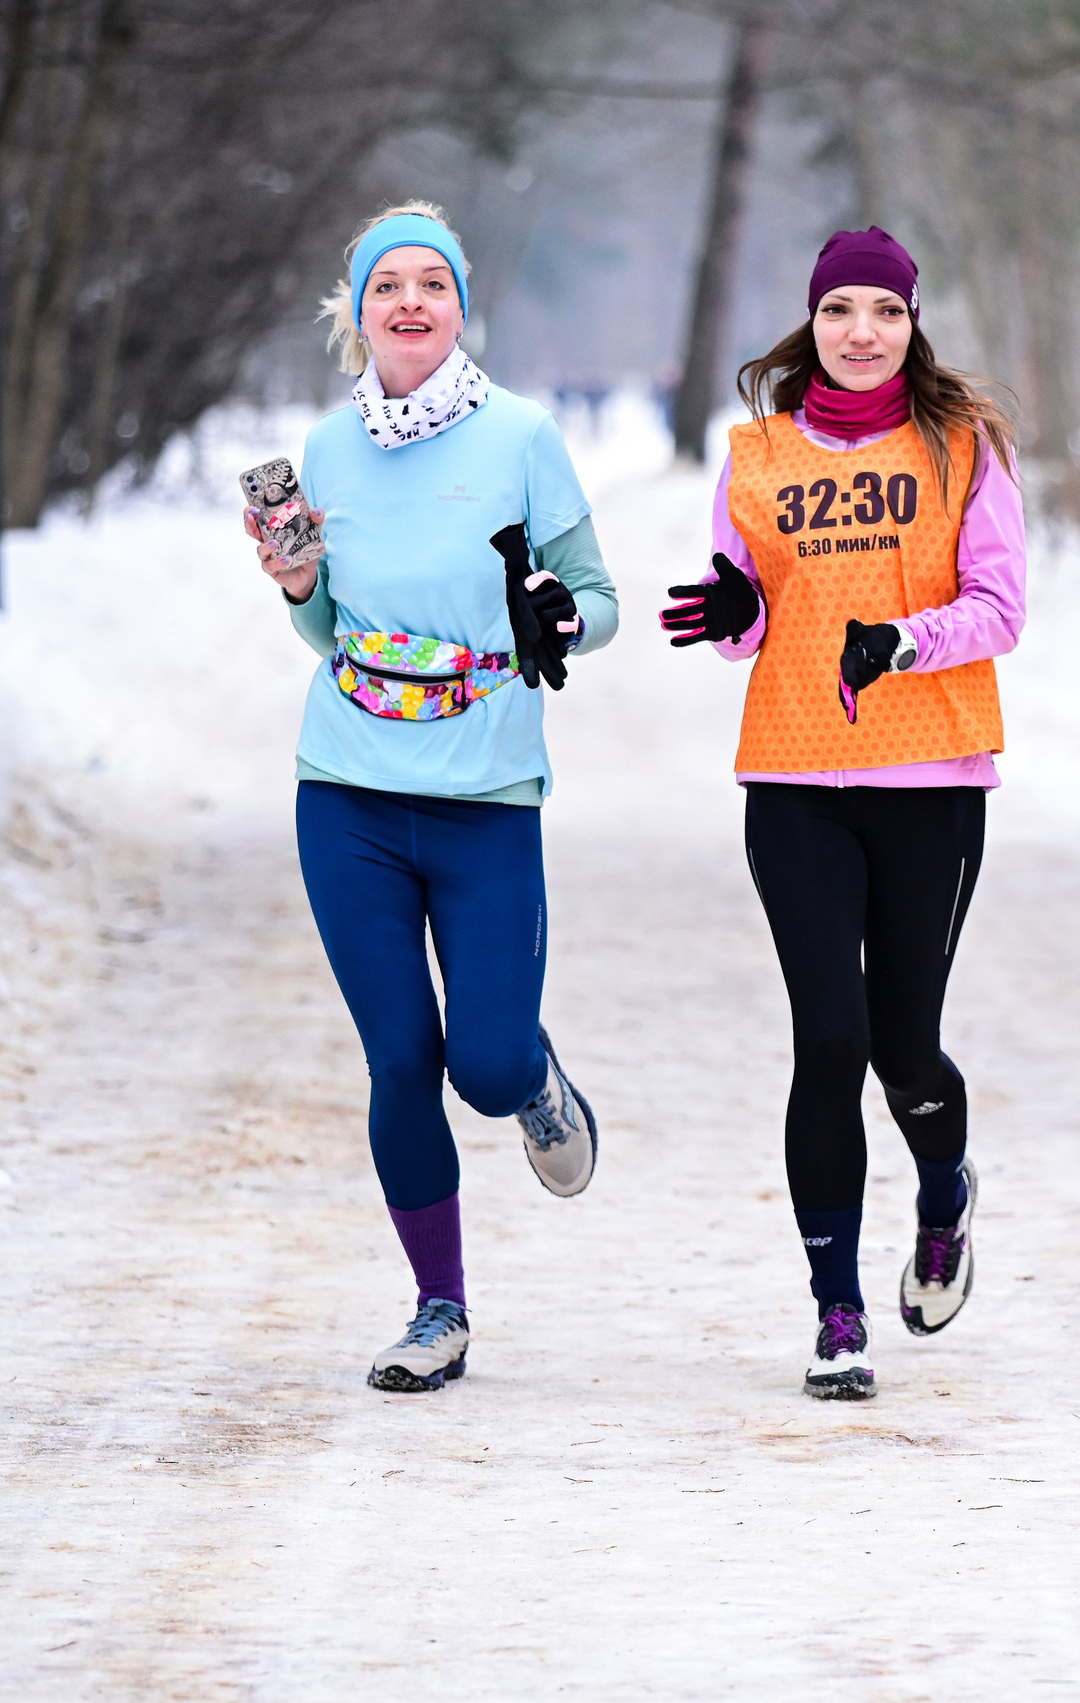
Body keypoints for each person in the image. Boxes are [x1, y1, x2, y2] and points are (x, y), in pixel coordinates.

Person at [245, 202, 616, 1394]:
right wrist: (300, 579)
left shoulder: (520, 436)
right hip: (347, 790)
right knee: (400, 1056)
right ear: (355, 315)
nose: (410, 302)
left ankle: (534, 1079)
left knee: (485, 1064)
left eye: (431, 285)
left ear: (462, 305)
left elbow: (596, 599)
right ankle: (437, 1308)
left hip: (486, 791)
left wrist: (558, 617)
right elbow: (325, 633)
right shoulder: (327, 446)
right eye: (385, 286)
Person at [658, 227, 1023, 1400]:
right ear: (810, 322)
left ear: (913, 324)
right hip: (794, 781)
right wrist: (730, 612)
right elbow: (752, 611)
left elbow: (1001, 607)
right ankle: (836, 1309)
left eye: (884, 310)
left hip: (931, 781)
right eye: (838, 310)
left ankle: (943, 1191)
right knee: (830, 1042)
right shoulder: (756, 453)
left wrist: (906, 640)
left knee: (904, 1045)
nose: (860, 331)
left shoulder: (962, 448)